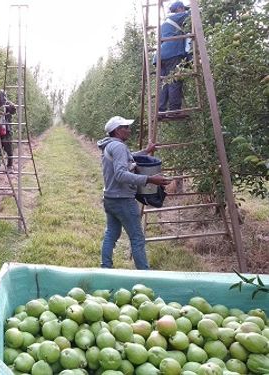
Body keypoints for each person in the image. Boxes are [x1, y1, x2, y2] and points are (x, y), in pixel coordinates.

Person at [96, 116, 171, 270]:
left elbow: (127, 157)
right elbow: (120, 174)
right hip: (123, 200)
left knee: (111, 233)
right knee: (137, 238)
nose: (129, 130)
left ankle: (105, 269)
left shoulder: (110, 145)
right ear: (117, 130)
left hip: (110, 198)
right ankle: (145, 274)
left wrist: (146, 151)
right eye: (126, 127)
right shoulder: (118, 147)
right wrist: (149, 179)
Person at [157, 1, 190, 119]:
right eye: (183, 9)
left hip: (160, 56)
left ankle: (160, 111)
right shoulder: (177, 17)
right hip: (173, 53)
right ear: (180, 8)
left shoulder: (164, 22)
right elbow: (193, 14)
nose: (185, 11)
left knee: (164, 83)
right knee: (175, 81)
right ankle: (174, 111)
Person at [0, 90, 17, 170]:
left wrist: (10, 105)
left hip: (7, 130)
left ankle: (10, 166)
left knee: (8, 148)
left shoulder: (7, 104)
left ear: (2, 96)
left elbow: (13, 111)